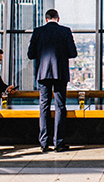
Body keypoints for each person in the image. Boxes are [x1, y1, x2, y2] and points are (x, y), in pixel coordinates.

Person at [28, 9, 77, 152]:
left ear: (45, 19)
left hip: (43, 74)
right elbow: (73, 53)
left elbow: (31, 54)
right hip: (60, 73)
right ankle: (58, 143)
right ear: (58, 18)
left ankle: (43, 143)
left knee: (44, 106)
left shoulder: (38, 32)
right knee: (60, 106)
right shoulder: (65, 31)